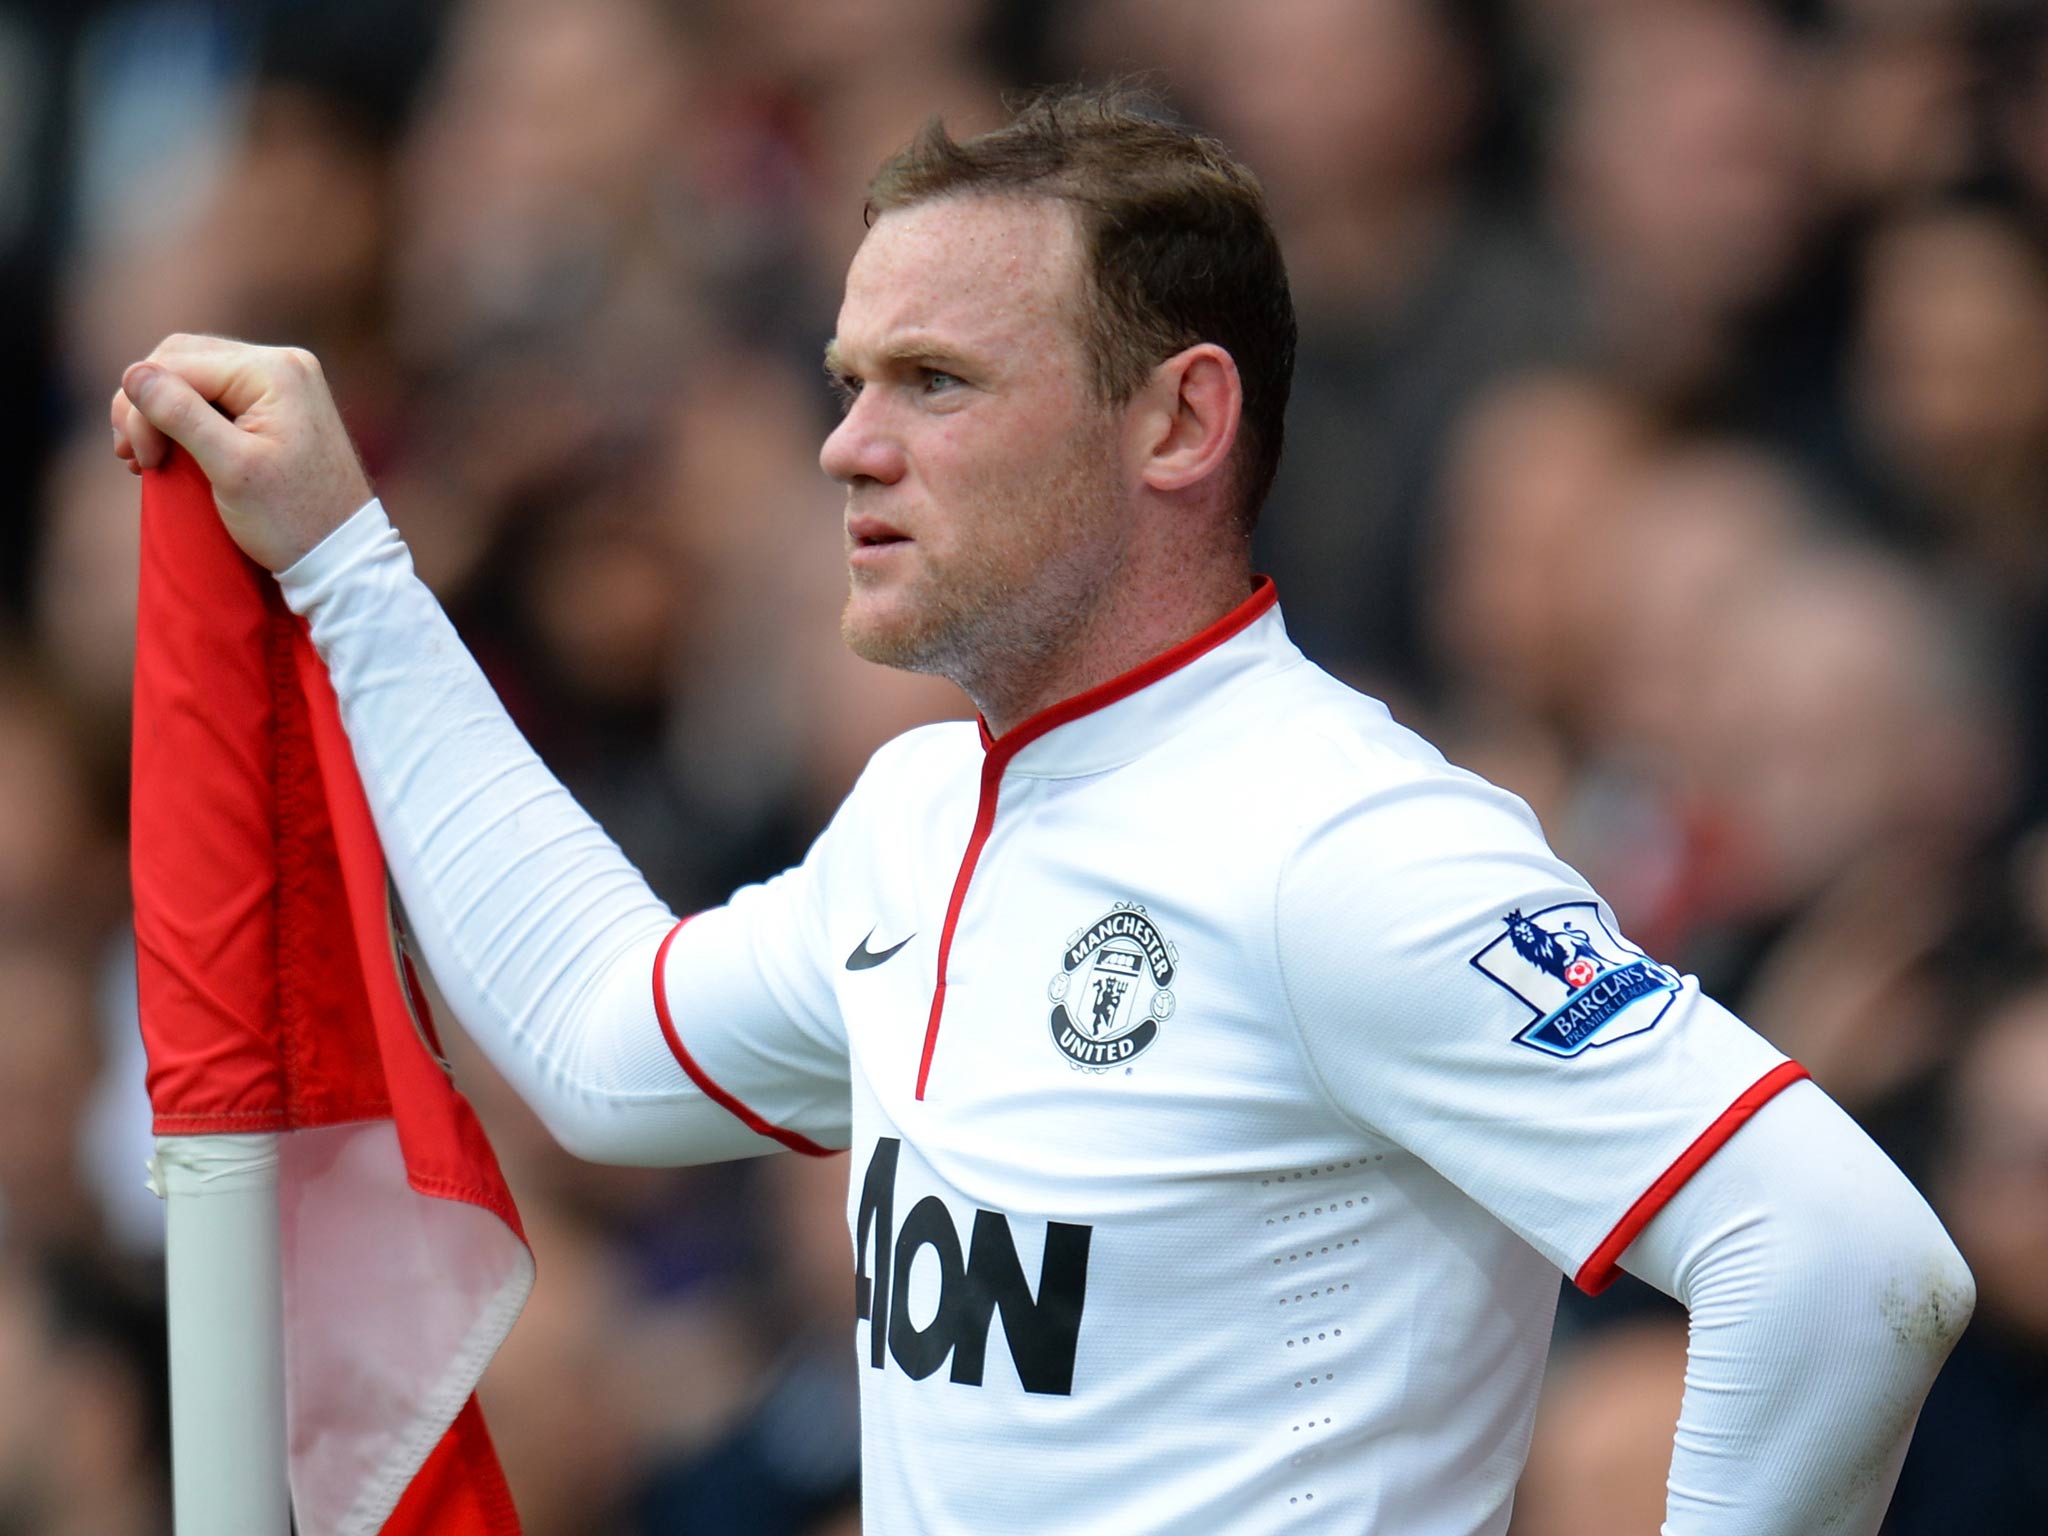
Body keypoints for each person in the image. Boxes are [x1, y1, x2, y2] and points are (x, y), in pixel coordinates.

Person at [110, 86, 1972, 1534]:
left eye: (935, 381)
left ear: (1179, 423)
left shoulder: (1349, 844)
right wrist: (348, 565)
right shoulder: (922, 818)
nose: (848, 441)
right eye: (848, 380)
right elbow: (606, 1044)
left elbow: (1839, 1264)